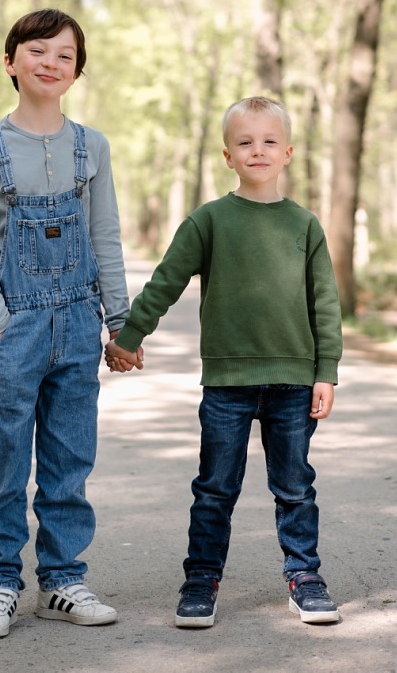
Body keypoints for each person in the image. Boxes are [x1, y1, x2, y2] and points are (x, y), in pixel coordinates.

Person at [105, 95, 343, 630]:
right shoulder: (209, 220)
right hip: (228, 385)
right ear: (226, 155)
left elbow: (324, 303)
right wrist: (128, 336)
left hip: (292, 383)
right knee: (215, 489)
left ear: (288, 153)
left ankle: (305, 578)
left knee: (295, 488)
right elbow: (166, 280)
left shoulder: (305, 226)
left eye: (268, 141)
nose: (256, 150)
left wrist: (326, 370)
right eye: (244, 142)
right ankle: (200, 582)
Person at [0, 8, 129, 639]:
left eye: (64, 54)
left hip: (79, 323)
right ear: (10, 62)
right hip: (16, 327)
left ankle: (61, 580)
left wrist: (120, 322)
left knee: (68, 459)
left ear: (77, 71)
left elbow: (105, 236)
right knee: (4, 463)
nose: (50, 62)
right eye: (37, 50)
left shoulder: (92, 147)